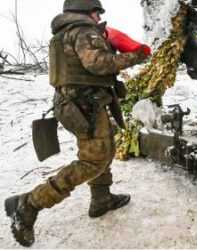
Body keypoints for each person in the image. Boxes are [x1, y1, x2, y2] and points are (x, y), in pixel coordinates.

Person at [4, 0, 150, 246]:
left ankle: (101, 199)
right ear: (85, 11)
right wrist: (135, 56)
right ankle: (29, 204)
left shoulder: (63, 34)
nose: (98, 17)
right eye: (96, 12)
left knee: (105, 150)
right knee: (93, 160)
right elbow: (98, 63)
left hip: (78, 104)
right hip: (84, 106)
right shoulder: (83, 31)